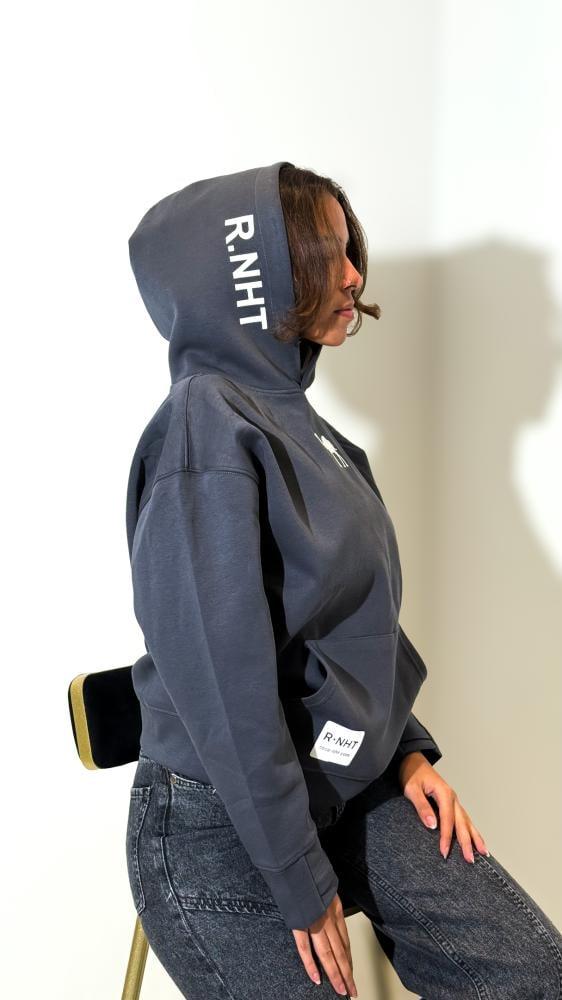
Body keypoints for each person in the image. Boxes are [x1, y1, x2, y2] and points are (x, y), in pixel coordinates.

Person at [124, 161, 562, 999]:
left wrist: (404, 751)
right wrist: (298, 876)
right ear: (253, 273)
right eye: (327, 255)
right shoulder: (204, 429)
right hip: (220, 817)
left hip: (338, 783)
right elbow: (223, 682)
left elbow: (342, 621)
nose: (355, 275)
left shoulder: (297, 422)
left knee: (533, 975)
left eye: (351, 250)